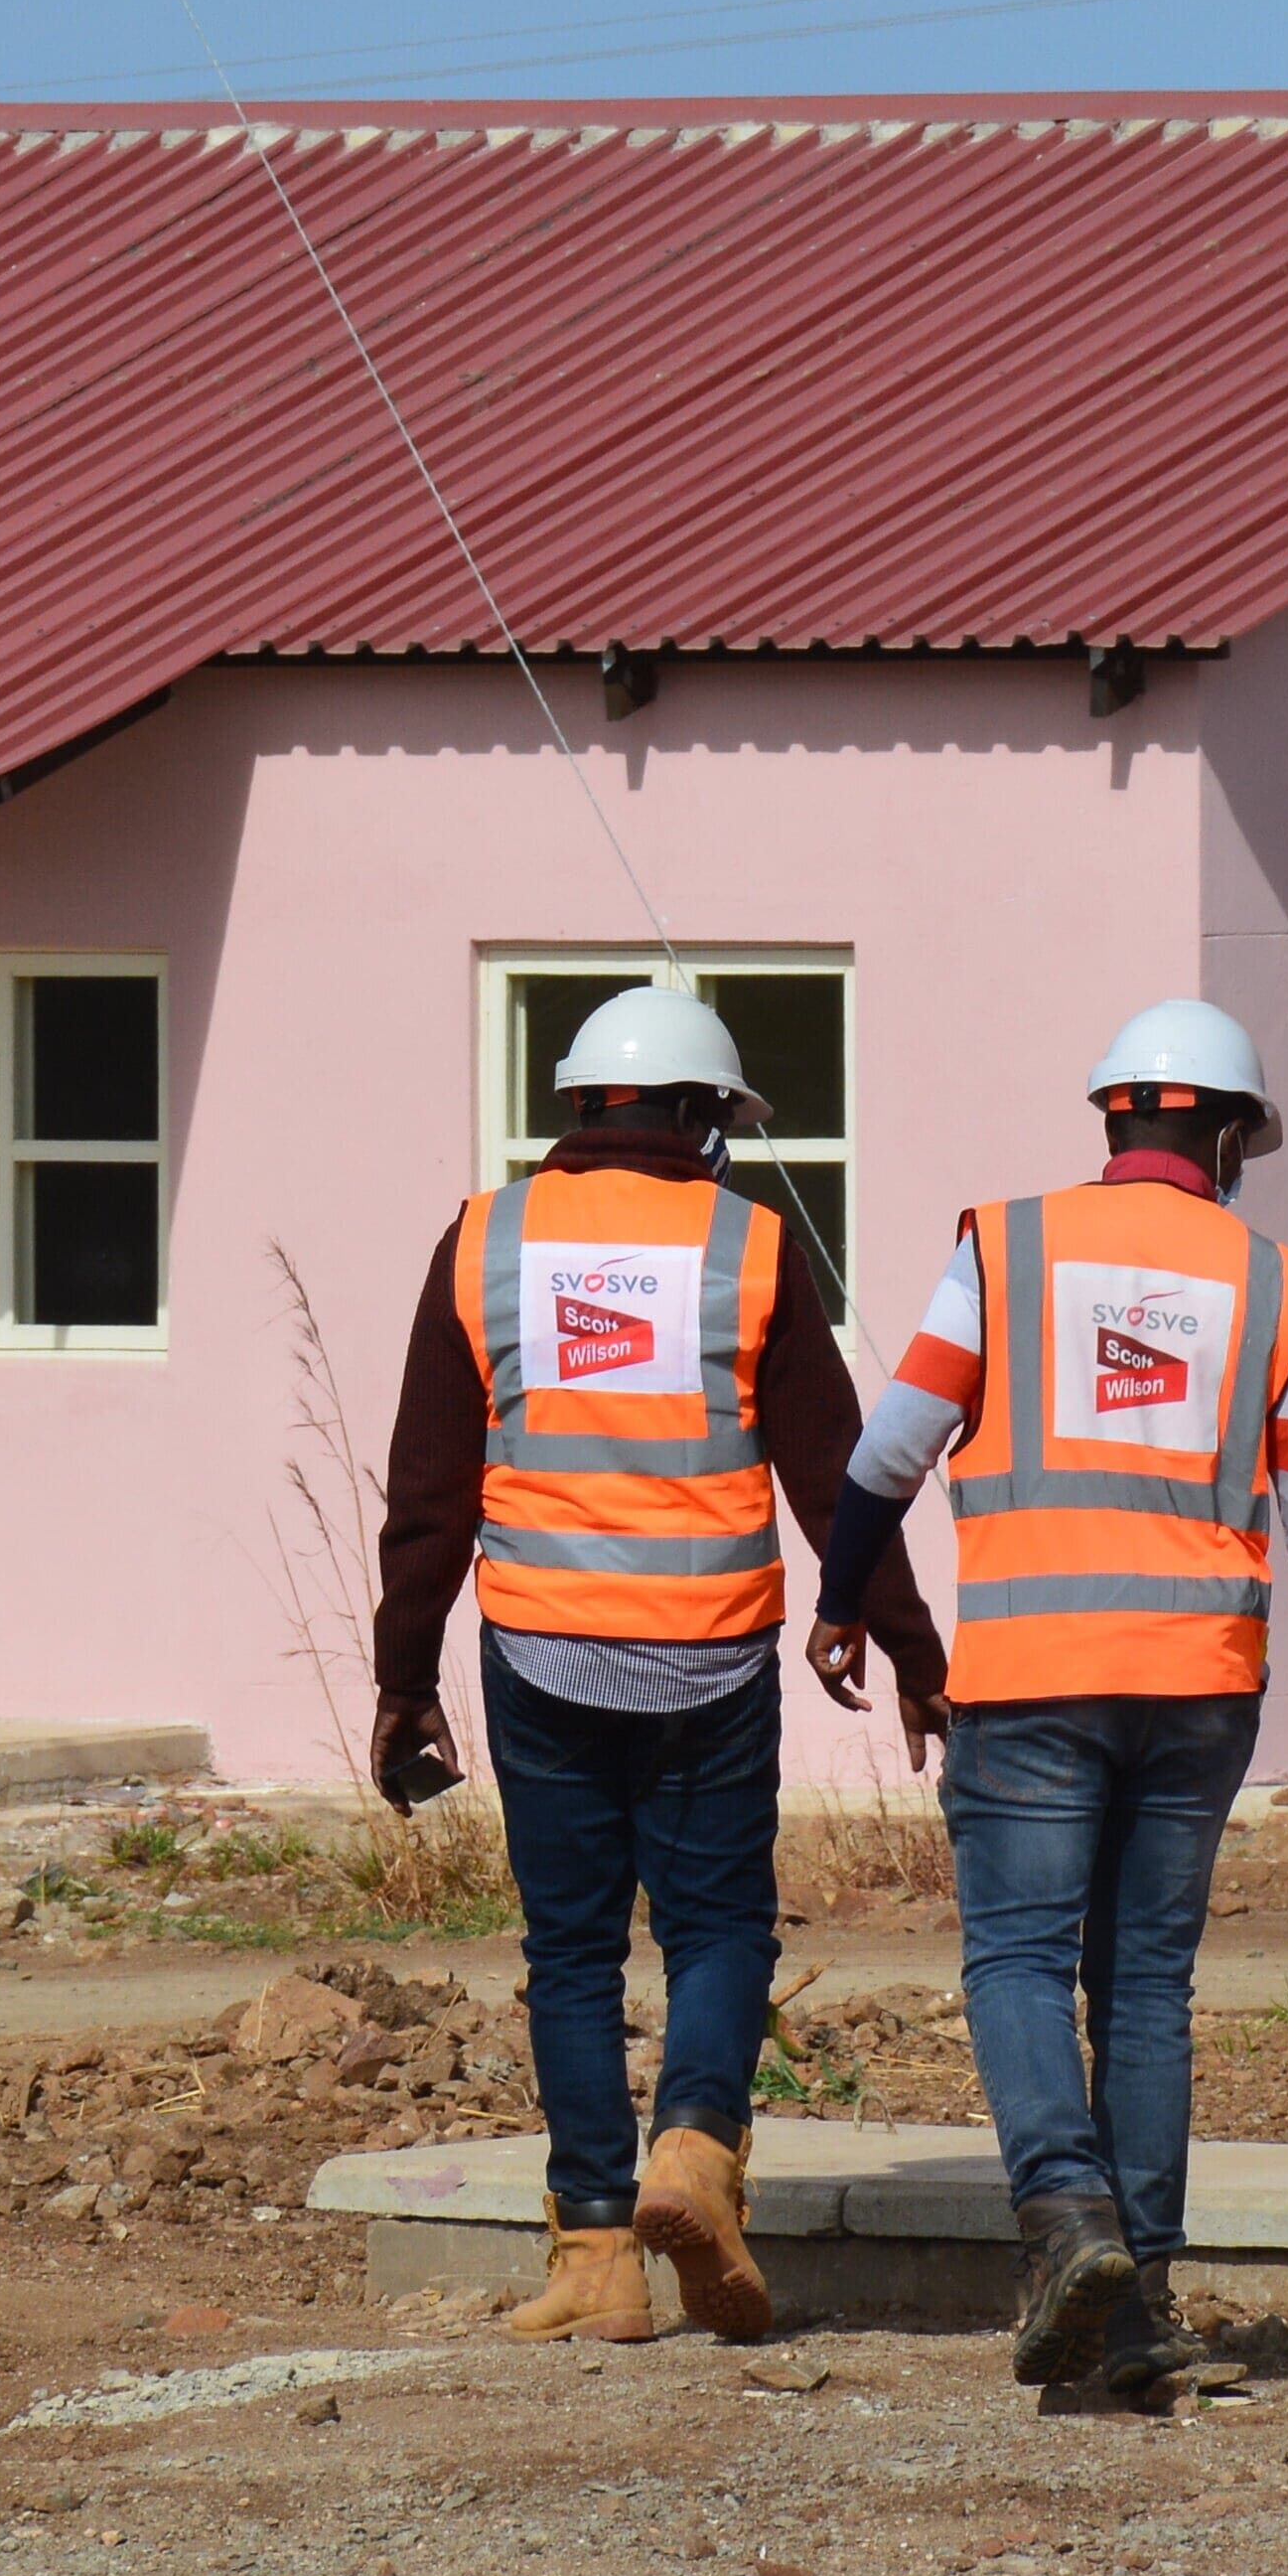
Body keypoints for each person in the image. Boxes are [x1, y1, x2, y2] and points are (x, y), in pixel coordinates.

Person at [808, 997, 1288, 2400]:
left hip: (1033, 1674)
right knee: (1145, 1989)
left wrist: (842, 1603)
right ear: (1229, 1134)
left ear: (1113, 1117)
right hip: (1199, 1686)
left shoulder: (1003, 1246)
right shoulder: (1279, 1281)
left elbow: (892, 1448)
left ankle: (1066, 2220)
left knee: (1015, 1961)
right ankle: (1141, 2302)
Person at [373, 982, 947, 2344]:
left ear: (577, 1107)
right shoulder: (750, 1246)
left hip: (543, 1648)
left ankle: (592, 2257)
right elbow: (836, 1466)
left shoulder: (485, 1241)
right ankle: (693, 2150)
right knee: (718, 1931)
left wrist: (404, 1678)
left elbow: (428, 1490)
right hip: (708, 1653)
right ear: (704, 1119)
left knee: (569, 1952)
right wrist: (904, 1637)